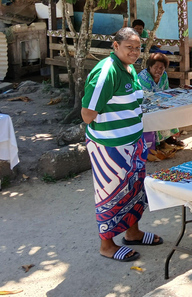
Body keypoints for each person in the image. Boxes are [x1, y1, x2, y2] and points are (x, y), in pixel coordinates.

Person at [81, 28, 163, 263]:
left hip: (132, 144)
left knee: (134, 191)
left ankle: (133, 233)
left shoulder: (128, 68)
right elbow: (87, 114)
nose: (135, 52)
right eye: (130, 47)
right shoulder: (107, 72)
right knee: (111, 195)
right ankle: (106, 245)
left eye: (138, 48)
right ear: (115, 46)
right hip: (110, 148)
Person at [137, 52, 183, 147]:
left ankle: (169, 137)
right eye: (156, 67)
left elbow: (166, 89)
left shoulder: (164, 75)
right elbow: (147, 96)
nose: (158, 70)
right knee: (157, 112)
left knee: (171, 108)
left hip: (160, 101)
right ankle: (158, 141)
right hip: (145, 103)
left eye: (161, 68)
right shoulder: (144, 77)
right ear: (150, 67)